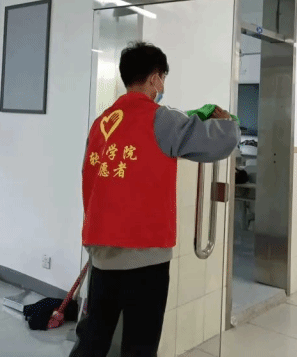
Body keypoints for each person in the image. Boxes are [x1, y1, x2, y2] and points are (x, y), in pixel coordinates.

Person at [70, 42, 240, 357]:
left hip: (102, 252)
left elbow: (89, 177)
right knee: (140, 344)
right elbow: (219, 142)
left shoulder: (101, 124)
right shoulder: (162, 119)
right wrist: (228, 123)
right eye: (162, 78)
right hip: (146, 256)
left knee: (93, 338)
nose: (162, 86)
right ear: (154, 78)